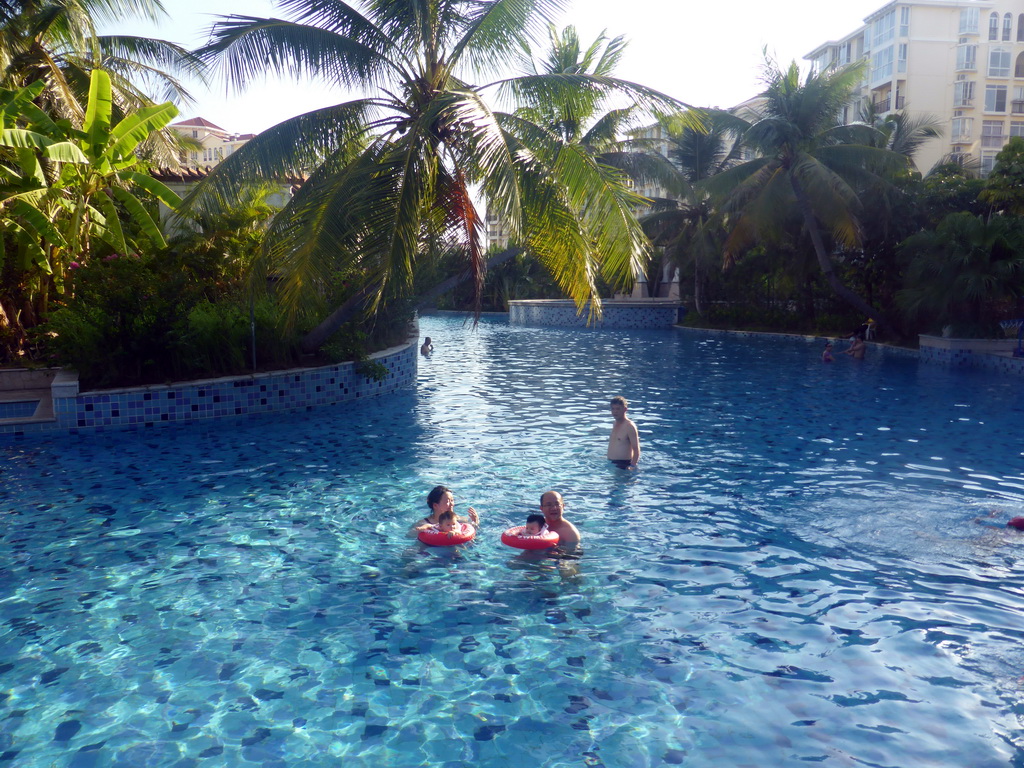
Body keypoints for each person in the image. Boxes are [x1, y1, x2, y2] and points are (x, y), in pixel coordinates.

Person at [408, 485, 478, 538]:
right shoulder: (423, 524)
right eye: (447, 501)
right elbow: (409, 536)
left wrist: (475, 522)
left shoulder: (458, 520)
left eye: (452, 500)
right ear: (435, 505)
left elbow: (472, 531)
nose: (452, 504)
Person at [607, 395, 640, 469]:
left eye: (618, 409)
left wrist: (633, 466)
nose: (615, 411)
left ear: (625, 409)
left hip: (623, 464)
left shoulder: (630, 426)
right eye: (613, 409)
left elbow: (636, 449)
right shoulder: (614, 423)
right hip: (610, 463)